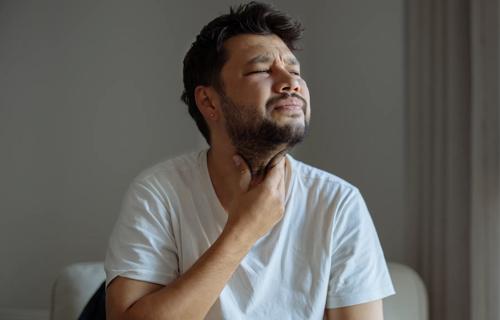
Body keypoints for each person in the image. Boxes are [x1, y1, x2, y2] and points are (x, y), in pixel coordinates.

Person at [104, 2, 395, 319]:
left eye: (295, 71)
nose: (291, 82)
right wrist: (243, 231)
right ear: (208, 101)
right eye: (261, 70)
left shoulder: (338, 203)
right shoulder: (160, 193)